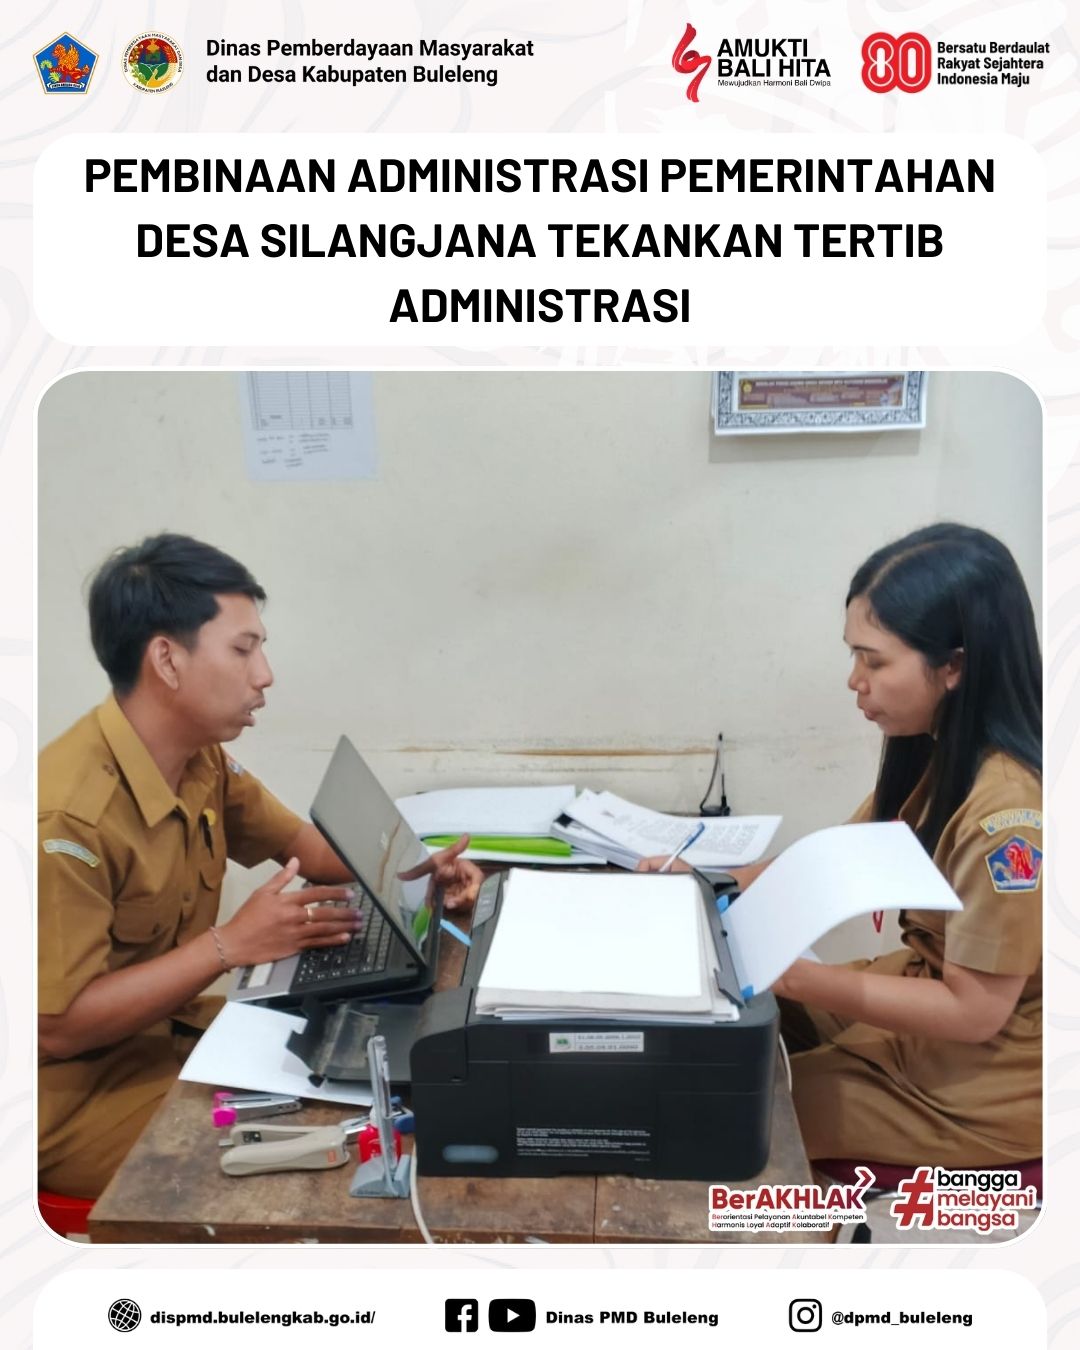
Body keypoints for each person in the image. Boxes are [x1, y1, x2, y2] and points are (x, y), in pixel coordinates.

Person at [38, 534, 482, 1197]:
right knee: (315, 1158)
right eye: (243, 650)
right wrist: (230, 945)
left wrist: (418, 874)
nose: (265, 674)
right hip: (73, 1097)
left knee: (366, 1096)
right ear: (167, 660)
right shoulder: (65, 820)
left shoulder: (198, 756)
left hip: (173, 1033)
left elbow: (311, 850)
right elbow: (57, 1029)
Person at [642, 523, 1042, 1167]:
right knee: (735, 1030)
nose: (855, 680)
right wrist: (704, 880)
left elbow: (974, 1013)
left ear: (954, 666)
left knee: (716, 1107)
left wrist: (801, 976)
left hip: (981, 1080)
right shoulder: (939, 752)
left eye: (874, 661)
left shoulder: (1008, 817)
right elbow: (828, 865)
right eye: (855, 656)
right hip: (923, 1006)